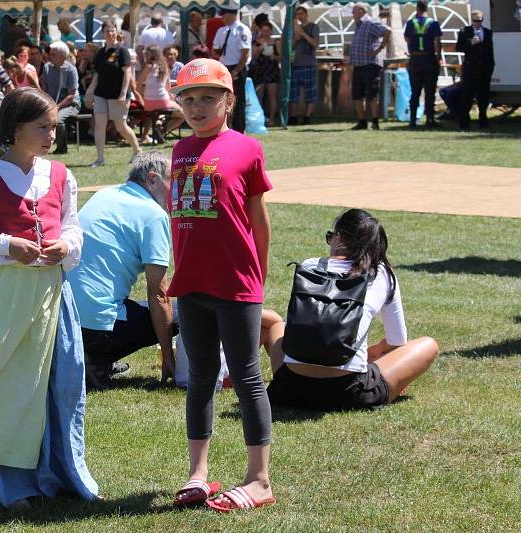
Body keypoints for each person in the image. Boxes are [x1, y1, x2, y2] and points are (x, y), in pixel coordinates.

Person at [0, 86, 99, 509]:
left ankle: (58, 471)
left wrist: (66, 246)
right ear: (14, 130)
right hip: (6, 297)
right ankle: (0, 482)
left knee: (58, 385)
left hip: (52, 295)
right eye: (42, 127)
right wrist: (8, 245)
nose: (51, 135)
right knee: (6, 387)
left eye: (54, 127)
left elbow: (72, 228)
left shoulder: (62, 177)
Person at [168, 58, 275, 512]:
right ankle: (198, 473)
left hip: (236, 282)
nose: (197, 107)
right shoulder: (179, 150)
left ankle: (260, 479)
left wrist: (259, 276)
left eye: (207, 98)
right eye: (188, 99)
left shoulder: (247, 149)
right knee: (200, 378)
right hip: (190, 283)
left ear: (228, 101)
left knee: (247, 376)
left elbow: (258, 221)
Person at [264, 208, 439, 411]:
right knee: (429, 344)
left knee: (278, 326)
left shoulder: (309, 266)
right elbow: (397, 340)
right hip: (350, 393)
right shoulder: (380, 273)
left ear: (339, 238)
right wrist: (375, 352)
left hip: (288, 390)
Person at [69, 151, 176, 390]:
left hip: (65, 320)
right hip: (96, 326)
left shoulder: (105, 194)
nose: (177, 189)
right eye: (174, 180)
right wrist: (169, 357)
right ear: (152, 179)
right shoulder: (154, 215)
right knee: (184, 311)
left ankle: (90, 358)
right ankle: (96, 358)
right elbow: (159, 294)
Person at [84, 19, 141, 168]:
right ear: (102, 33)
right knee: (99, 125)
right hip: (101, 93)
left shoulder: (122, 51)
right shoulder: (101, 53)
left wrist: (123, 94)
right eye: (107, 31)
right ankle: (100, 159)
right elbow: (97, 74)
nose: (110, 33)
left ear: (116, 31)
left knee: (120, 126)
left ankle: (137, 151)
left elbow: (127, 72)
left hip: (118, 95)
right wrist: (90, 91)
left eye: (112, 30)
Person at [349, 4, 391, 130]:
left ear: (361, 11)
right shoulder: (359, 25)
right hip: (358, 64)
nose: (352, 14)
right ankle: (362, 121)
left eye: (353, 11)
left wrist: (380, 48)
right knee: (357, 95)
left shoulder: (370, 22)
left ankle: (375, 122)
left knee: (372, 95)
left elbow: (387, 31)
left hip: (370, 64)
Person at [212, 0, 251, 133]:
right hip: (224, 68)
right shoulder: (221, 31)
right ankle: (225, 129)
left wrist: (235, 72)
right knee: (223, 101)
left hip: (237, 68)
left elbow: (245, 55)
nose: (222, 18)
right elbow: (215, 50)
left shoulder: (242, 30)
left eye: (224, 15)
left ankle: (240, 130)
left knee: (237, 101)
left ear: (231, 14)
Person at [404, 1, 442, 129]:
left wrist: (411, 49)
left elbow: (407, 38)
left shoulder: (411, 23)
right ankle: (430, 119)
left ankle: (412, 120)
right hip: (429, 59)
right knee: (430, 91)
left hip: (415, 59)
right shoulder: (433, 23)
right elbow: (437, 41)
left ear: (417, 9)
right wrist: (438, 57)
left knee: (415, 92)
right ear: (427, 9)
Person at [456, 9, 494, 130]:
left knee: (483, 97)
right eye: (475, 20)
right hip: (470, 70)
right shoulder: (464, 31)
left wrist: (491, 66)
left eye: (479, 20)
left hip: (484, 70)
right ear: (471, 20)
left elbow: (490, 52)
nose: (477, 22)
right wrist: (470, 43)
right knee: (466, 97)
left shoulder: (487, 32)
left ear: (483, 20)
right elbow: (458, 48)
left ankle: (483, 121)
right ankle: (464, 123)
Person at [40, 41, 80, 155]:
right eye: (50, 54)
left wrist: (57, 107)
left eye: (53, 54)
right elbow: (44, 89)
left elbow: (71, 96)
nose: (50, 56)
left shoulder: (71, 70)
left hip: (70, 104)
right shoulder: (47, 67)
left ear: (62, 56)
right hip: (51, 104)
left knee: (58, 120)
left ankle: (61, 149)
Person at [138, 45, 184, 142]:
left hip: (148, 102)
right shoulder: (164, 67)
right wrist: (172, 99)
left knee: (153, 114)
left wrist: (141, 97)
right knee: (183, 114)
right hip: (163, 100)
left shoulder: (148, 66)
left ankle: (149, 133)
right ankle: (162, 130)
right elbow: (168, 88)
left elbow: (139, 84)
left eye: (146, 54)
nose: (145, 55)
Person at [289, 6, 320, 125]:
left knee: (310, 92)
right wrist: (296, 39)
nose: (299, 16)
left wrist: (303, 34)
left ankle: (307, 117)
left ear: (306, 14)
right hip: (295, 64)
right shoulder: (293, 29)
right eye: (297, 15)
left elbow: (315, 43)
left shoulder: (313, 27)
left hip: (309, 64)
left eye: (301, 13)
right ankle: (293, 116)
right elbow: (288, 48)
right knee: (293, 92)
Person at [249, 22, 280, 127]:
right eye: (264, 31)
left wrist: (274, 57)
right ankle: (260, 119)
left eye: (268, 31)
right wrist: (259, 48)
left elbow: (281, 58)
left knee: (272, 97)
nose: (266, 33)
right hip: (260, 71)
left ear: (271, 31)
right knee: (259, 96)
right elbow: (252, 57)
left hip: (272, 71)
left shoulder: (276, 42)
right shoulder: (257, 42)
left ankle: (271, 119)